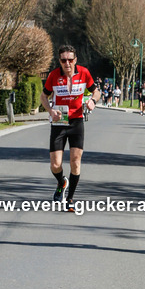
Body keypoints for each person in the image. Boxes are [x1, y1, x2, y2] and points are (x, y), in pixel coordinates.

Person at [40, 45, 101, 213]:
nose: (67, 63)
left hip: (76, 122)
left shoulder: (84, 73)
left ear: (75, 60)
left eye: (70, 60)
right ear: (59, 61)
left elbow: (96, 92)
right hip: (59, 123)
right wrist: (51, 111)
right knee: (55, 164)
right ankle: (61, 182)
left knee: (75, 161)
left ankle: (70, 199)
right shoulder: (53, 76)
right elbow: (43, 96)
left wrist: (92, 102)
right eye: (63, 60)